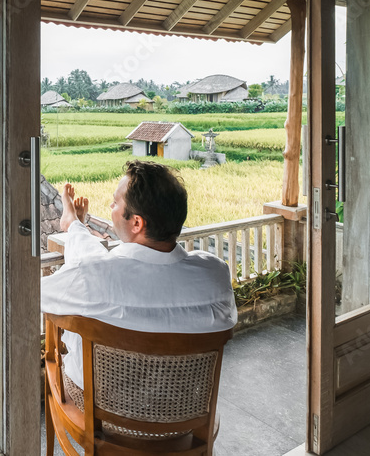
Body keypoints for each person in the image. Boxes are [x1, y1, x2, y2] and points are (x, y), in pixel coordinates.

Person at [41, 159, 237, 390]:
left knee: (90, 268)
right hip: (182, 409)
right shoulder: (215, 273)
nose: (110, 208)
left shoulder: (95, 276)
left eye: (114, 203)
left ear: (136, 223)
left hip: (102, 408)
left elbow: (33, 294)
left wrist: (80, 256)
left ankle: (74, 225)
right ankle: (74, 225)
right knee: (92, 263)